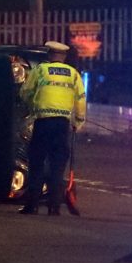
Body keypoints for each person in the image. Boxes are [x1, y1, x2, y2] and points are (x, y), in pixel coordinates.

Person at [18, 41, 86, 215]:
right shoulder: (73, 75)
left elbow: (25, 92)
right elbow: (80, 99)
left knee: (37, 163)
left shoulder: (41, 70)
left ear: (49, 55)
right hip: (62, 126)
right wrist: (78, 121)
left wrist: (32, 106)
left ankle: (31, 205)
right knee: (57, 165)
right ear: (63, 57)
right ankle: (54, 207)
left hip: (43, 123)